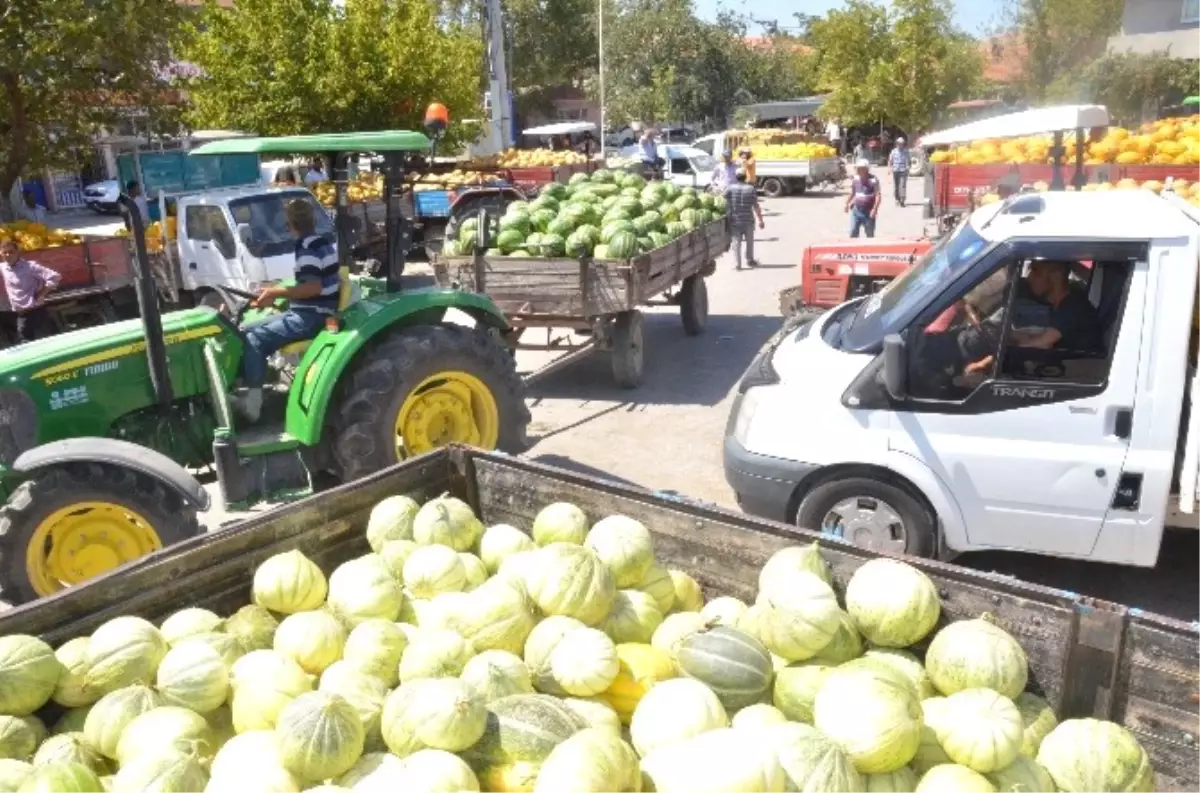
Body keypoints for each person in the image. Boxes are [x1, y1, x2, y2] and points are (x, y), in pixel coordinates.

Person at [232, 199, 339, 422]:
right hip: (308, 311)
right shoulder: (321, 242)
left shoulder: (307, 248)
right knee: (240, 330)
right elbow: (310, 283)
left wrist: (276, 294)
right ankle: (256, 383)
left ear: (290, 224)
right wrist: (274, 290)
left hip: (311, 316)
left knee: (254, 339)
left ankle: (253, 404)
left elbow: (312, 287)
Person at [964, 261, 1101, 376]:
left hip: (1076, 372)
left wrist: (984, 364)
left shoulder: (1073, 307)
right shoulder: (1061, 304)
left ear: (1055, 277)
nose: (1029, 278)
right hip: (1061, 364)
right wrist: (1009, 335)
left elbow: (1042, 344)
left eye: (1035, 272)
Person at [0, 239, 61, 344]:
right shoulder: (3, 267)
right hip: (21, 313)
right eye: (4, 253)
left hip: (35, 310)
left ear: (17, 252)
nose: (8, 255)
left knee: (36, 341)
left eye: (11, 252)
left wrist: (42, 293)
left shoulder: (29, 267)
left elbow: (55, 277)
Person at [724, 170, 764, 270]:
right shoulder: (751, 189)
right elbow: (756, 206)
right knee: (749, 241)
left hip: (735, 220)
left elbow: (723, 200)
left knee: (736, 242)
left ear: (736, 177)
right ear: (745, 177)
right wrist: (760, 220)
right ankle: (750, 260)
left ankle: (738, 264)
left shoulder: (730, 188)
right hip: (748, 220)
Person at [845, 159, 881, 238]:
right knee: (853, 231)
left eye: (861, 168)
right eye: (858, 168)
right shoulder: (856, 178)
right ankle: (853, 250)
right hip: (856, 210)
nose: (858, 170)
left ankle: (869, 249)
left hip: (868, 212)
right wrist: (847, 203)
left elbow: (878, 195)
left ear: (866, 169)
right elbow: (852, 192)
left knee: (869, 234)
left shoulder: (873, 179)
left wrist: (875, 209)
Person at [888, 137, 911, 207]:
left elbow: (908, 161)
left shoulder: (906, 151)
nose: (900, 145)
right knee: (896, 186)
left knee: (902, 185)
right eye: (899, 143)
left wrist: (908, 168)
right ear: (897, 144)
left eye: (901, 144)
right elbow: (890, 160)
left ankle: (902, 200)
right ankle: (897, 198)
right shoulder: (893, 151)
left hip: (903, 170)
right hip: (895, 170)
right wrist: (889, 169)